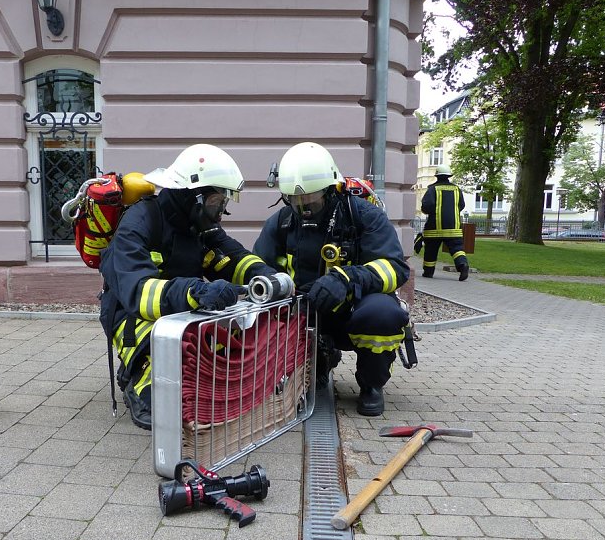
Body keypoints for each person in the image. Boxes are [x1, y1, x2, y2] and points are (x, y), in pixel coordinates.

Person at [98, 144, 275, 430]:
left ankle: (144, 368)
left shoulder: (198, 224)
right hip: (131, 316)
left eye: (225, 202)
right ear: (194, 196)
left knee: (222, 345)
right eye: (218, 201)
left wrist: (267, 277)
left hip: (179, 310)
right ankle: (140, 386)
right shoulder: (139, 222)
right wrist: (196, 292)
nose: (222, 212)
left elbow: (234, 257)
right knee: (170, 361)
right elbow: (138, 293)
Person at [253, 142, 410, 417]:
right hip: (306, 312)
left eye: (311, 200)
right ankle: (318, 361)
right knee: (266, 315)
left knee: (382, 313)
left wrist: (347, 279)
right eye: (295, 200)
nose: (303, 208)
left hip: (354, 311)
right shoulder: (281, 223)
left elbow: (394, 267)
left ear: (331, 189)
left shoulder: (362, 216)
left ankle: (371, 384)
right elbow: (259, 267)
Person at [420, 165, 470, 280]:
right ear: (449, 176)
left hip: (434, 228)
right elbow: (461, 205)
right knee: (457, 249)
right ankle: (463, 266)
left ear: (437, 176)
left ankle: (428, 272)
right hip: (453, 228)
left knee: (431, 251)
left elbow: (427, 206)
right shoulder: (457, 189)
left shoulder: (432, 189)